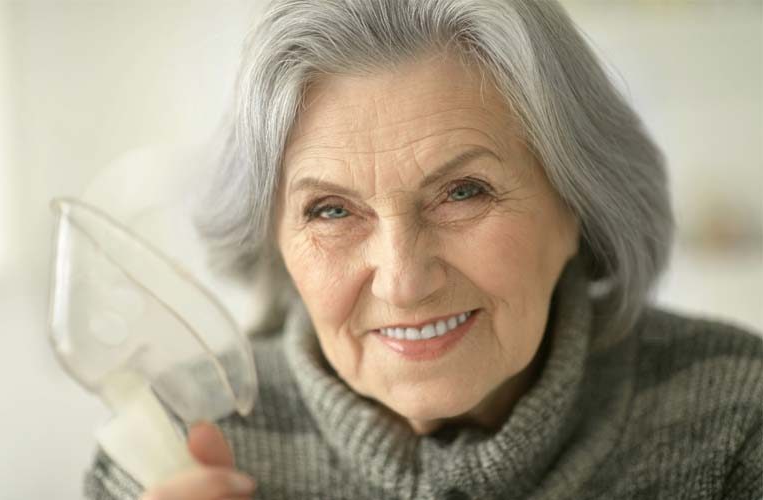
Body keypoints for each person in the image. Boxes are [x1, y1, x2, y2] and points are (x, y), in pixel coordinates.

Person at [84, 1, 763, 499]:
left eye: (464, 192)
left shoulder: (736, 412)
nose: (404, 281)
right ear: (276, 241)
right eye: (330, 209)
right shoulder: (172, 450)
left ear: (581, 207)